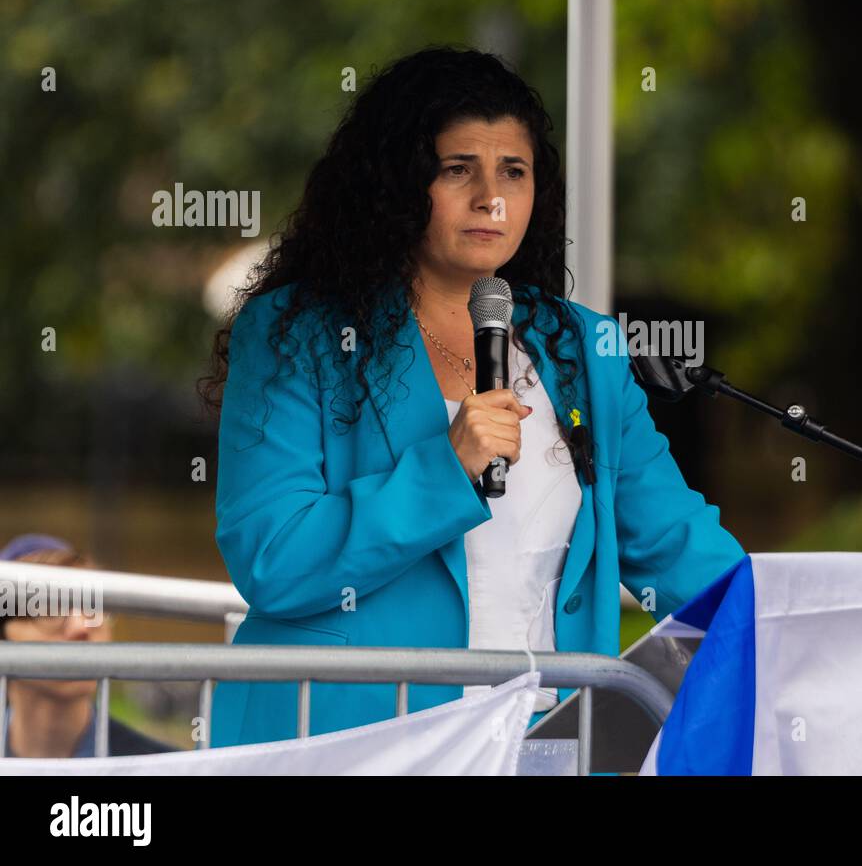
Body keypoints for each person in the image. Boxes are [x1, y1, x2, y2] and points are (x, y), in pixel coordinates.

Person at [197, 44, 746, 747]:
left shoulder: (582, 347)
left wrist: (780, 618)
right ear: (397, 185)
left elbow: (674, 540)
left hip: (538, 741)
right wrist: (443, 467)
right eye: (459, 169)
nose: (491, 196)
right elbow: (272, 557)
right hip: (352, 745)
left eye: (513, 172)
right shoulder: (296, 335)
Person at [0, 534, 178, 758]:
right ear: (4, 636)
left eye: (93, 606)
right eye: (48, 606)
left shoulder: (161, 768)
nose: (82, 626)